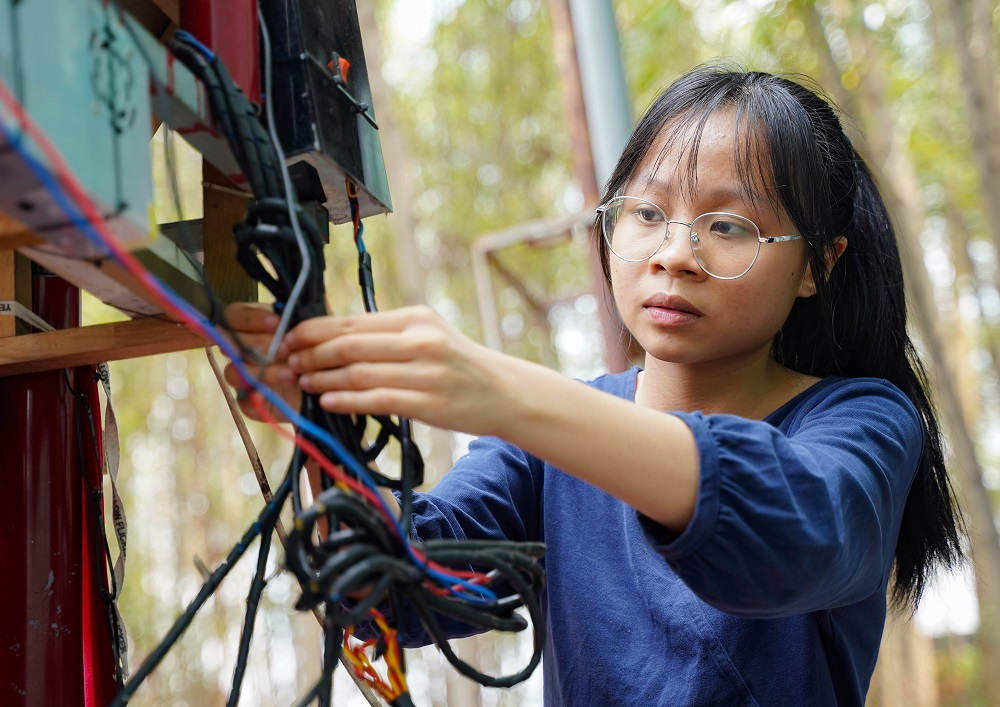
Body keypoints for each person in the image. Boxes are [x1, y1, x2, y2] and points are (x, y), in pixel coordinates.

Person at [224, 65, 963, 706]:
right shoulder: (545, 446)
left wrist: (504, 393)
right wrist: (322, 431)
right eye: (646, 212)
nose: (674, 254)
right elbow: (403, 585)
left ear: (816, 265)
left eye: (730, 226)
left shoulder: (863, 420)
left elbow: (799, 526)